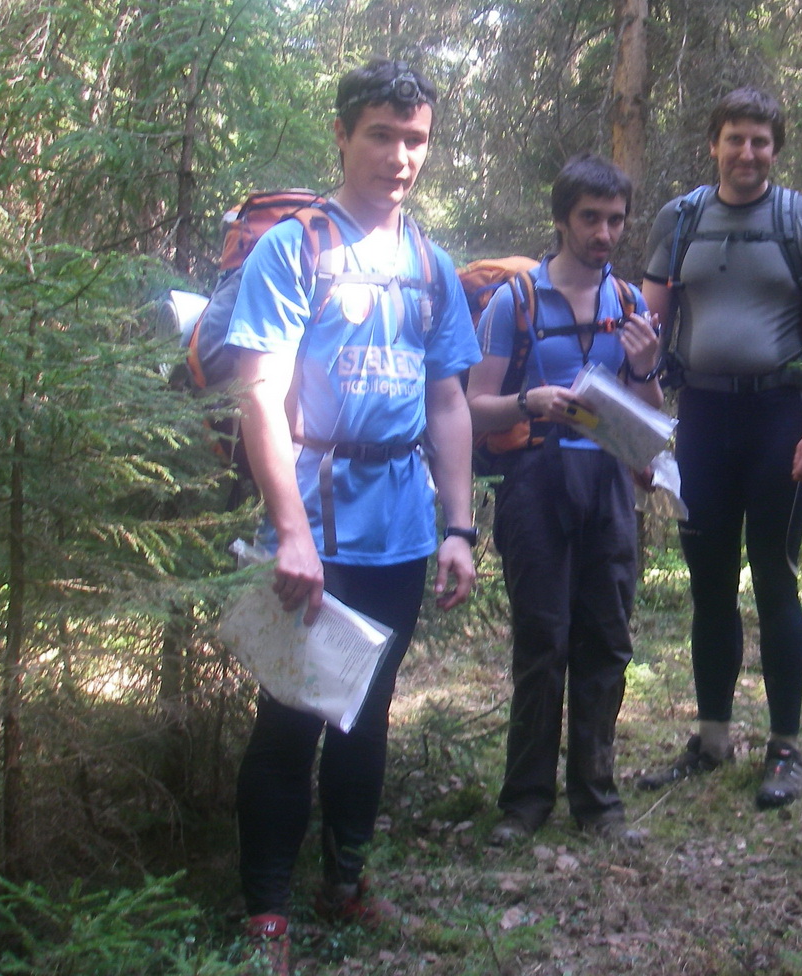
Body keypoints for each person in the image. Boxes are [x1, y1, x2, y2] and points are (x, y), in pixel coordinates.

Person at [227, 57, 481, 972]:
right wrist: (290, 531)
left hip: (401, 526)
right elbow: (260, 392)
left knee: (367, 712)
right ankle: (267, 911)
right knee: (292, 714)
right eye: (381, 134)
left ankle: (346, 878)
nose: (399, 156)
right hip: (314, 520)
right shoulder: (293, 248)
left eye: (415, 139)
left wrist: (459, 527)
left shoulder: (431, 265)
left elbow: (447, 400)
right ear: (341, 136)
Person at [638, 86, 802, 811]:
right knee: (708, 585)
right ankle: (711, 739)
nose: (748, 153)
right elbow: (646, 331)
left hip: (780, 419)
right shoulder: (681, 219)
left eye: (761, 141)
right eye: (735, 138)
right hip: (701, 417)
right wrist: (642, 428)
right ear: (714, 144)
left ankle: (785, 747)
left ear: (775, 149)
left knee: (775, 581)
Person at [467, 154, 662, 847]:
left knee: (606, 641)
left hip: (607, 485)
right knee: (542, 642)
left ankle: (597, 800)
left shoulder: (631, 305)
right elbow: (473, 406)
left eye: (616, 220)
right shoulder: (513, 302)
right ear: (561, 219)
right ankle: (524, 802)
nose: (604, 233)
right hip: (534, 483)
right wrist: (530, 401)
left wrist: (645, 366)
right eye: (590, 218)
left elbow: (650, 417)